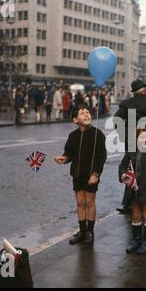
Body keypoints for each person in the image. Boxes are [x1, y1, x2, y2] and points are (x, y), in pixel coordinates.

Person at [55, 105, 107, 245]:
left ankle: (90, 231)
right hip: (77, 174)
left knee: (89, 202)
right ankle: (82, 231)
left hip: (91, 175)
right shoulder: (73, 136)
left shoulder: (97, 134)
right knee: (80, 203)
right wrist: (64, 159)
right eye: (82, 113)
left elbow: (101, 156)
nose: (86, 115)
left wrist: (96, 174)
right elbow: (69, 154)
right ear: (75, 119)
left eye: (87, 113)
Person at [114, 79, 146, 215]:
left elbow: (117, 120)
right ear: (145, 91)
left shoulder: (127, 104)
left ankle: (129, 202)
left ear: (134, 92)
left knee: (131, 168)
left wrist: (126, 134)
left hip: (132, 140)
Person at [119, 128, 146, 255]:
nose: (145, 140)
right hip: (133, 188)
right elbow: (122, 165)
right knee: (136, 215)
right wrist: (122, 175)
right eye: (142, 137)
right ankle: (136, 240)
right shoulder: (131, 151)